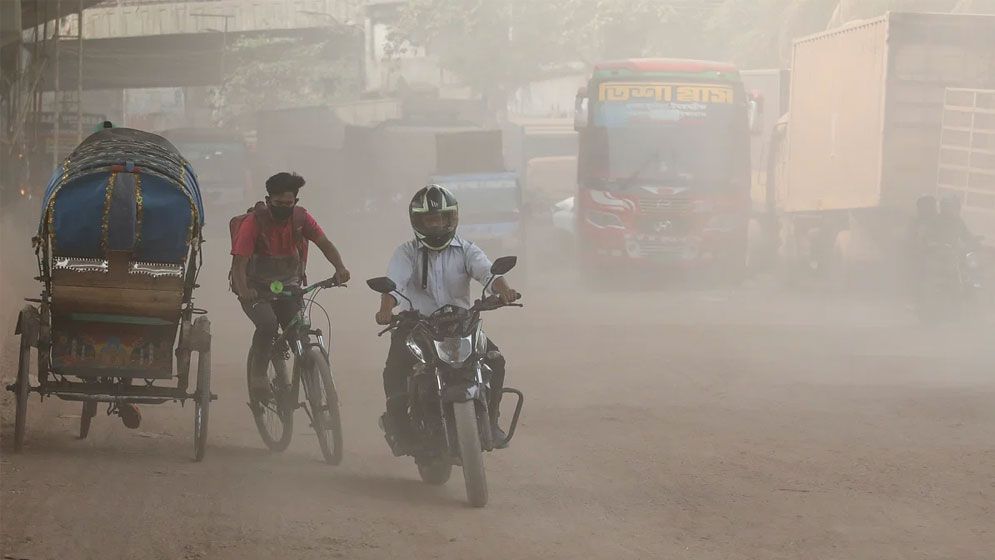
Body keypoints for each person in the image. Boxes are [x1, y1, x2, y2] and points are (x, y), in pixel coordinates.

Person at [375, 185, 521, 450]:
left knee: (495, 361)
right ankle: (400, 428)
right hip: (416, 324)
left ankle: (491, 421)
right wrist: (386, 309)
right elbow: (393, 286)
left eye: (442, 218)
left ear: (452, 218)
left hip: (461, 324)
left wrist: (505, 291)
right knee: (395, 369)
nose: (437, 225)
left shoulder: (466, 249)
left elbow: (489, 274)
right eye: (430, 219)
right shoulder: (406, 253)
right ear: (418, 221)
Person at [231, 172, 350, 396]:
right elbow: (239, 264)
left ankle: (313, 385)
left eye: (289, 203)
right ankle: (258, 375)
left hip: (289, 286)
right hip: (255, 288)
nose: (284, 208)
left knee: (298, 332)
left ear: (296, 201)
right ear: (268, 201)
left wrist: (340, 267)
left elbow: (325, 244)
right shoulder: (253, 223)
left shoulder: (301, 219)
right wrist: (245, 291)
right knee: (268, 325)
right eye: (278, 204)